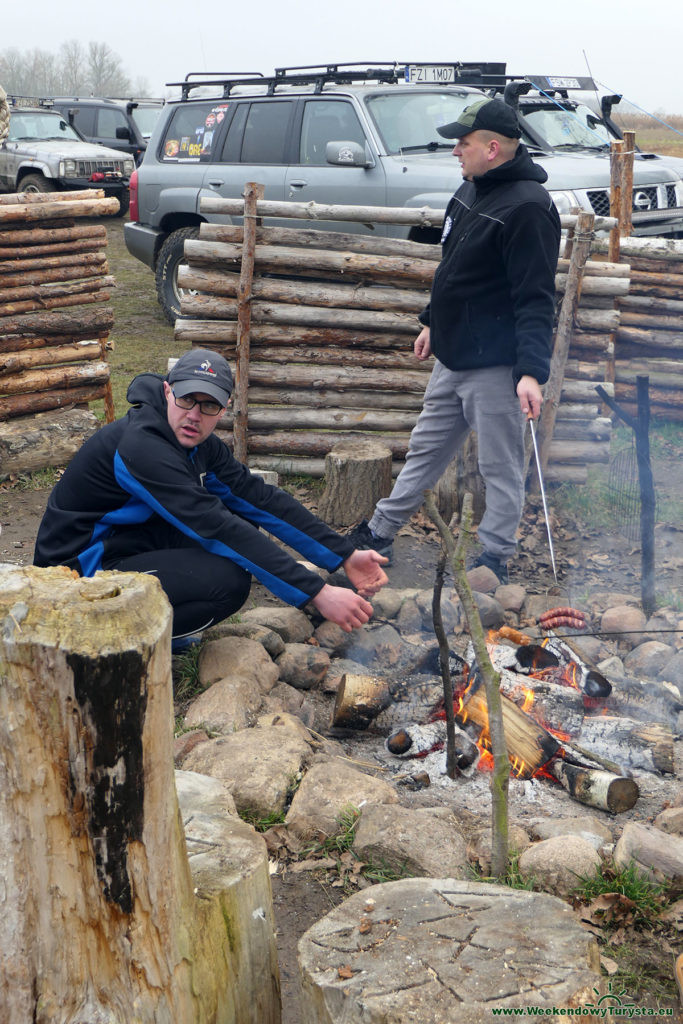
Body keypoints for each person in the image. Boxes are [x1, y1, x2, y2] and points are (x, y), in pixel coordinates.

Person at [34, 349, 388, 649]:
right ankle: (110, 642)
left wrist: (344, 555)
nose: (194, 415)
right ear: (167, 390)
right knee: (227, 582)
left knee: (243, 519)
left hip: (128, 543)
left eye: (209, 405)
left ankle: (150, 629)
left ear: (225, 408)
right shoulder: (141, 446)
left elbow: (259, 498)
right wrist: (317, 593)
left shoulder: (201, 445)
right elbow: (214, 526)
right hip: (74, 577)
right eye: (186, 399)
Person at [348, 97, 561, 584]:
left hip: (496, 365)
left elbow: (535, 298)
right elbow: (454, 271)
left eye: (461, 143)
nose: (454, 152)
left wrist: (530, 371)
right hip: (453, 355)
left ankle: (495, 558)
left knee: (499, 465)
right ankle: (380, 533)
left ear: (491, 148)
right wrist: (431, 322)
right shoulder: (470, 191)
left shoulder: (529, 208)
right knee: (424, 451)